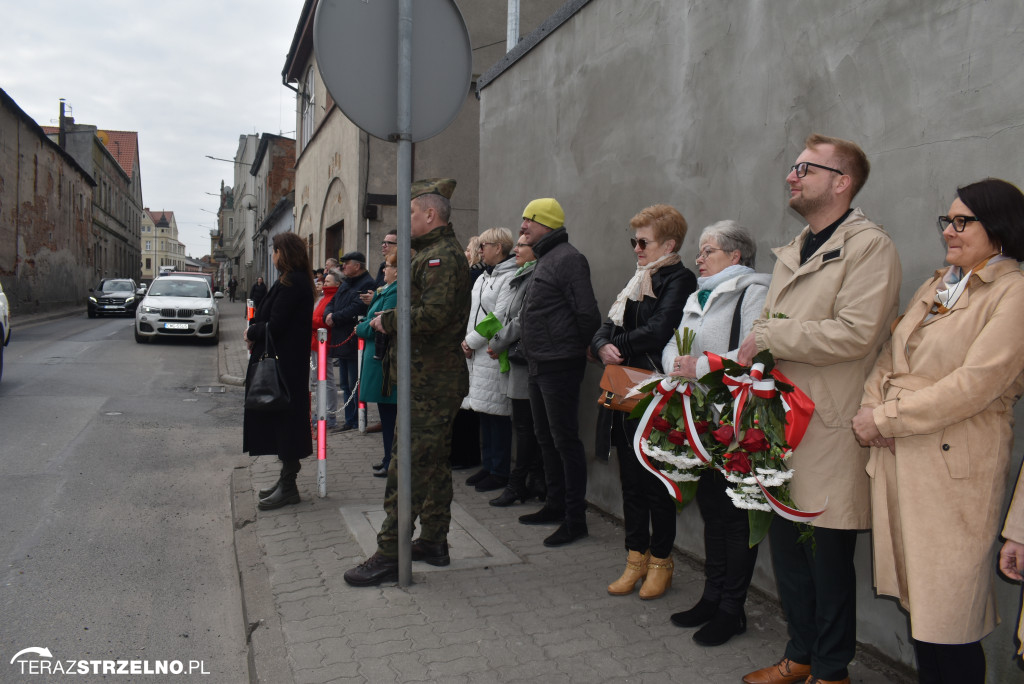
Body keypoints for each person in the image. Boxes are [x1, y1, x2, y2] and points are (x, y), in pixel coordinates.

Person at [737, 134, 901, 684]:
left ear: (841, 181)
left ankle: (831, 671)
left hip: (829, 426)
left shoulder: (869, 246)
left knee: (826, 560)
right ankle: (799, 656)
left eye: (805, 168)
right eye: (792, 167)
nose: (792, 176)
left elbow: (857, 333)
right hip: (782, 423)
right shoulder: (796, 247)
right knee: (789, 554)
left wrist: (769, 337)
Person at [852, 178, 1024, 684]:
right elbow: (890, 354)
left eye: (962, 221)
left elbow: (975, 384)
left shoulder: (1013, 293)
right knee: (924, 614)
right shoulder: (941, 283)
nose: (949, 230)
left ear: (999, 228)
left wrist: (884, 418)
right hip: (906, 456)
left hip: (954, 469)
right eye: (946, 220)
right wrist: (872, 407)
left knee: (950, 618)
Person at [343, 178, 471, 586]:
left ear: (430, 215)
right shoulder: (430, 254)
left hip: (431, 384)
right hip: (426, 380)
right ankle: (433, 541)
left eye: (412, 212)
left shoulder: (440, 258)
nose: (407, 218)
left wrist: (386, 320)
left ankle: (388, 553)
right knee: (431, 467)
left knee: (407, 468)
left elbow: (432, 316)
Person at [659, 221, 769, 645]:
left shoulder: (752, 290)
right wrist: (676, 363)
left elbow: (753, 352)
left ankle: (731, 609)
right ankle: (711, 596)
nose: (699, 260)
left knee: (735, 516)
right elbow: (676, 341)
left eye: (708, 252)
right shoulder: (699, 294)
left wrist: (700, 366)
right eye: (701, 252)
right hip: (700, 418)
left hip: (736, 421)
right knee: (711, 507)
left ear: (735, 255)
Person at [591, 204, 695, 599]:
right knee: (630, 480)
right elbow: (604, 326)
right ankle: (635, 558)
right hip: (623, 386)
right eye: (633, 240)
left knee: (656, 481)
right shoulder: (637, 279)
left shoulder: (678, 279)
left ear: (668, 243)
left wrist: (613, 345)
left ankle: (661, 563)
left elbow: (658, 330)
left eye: (643, 241)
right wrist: (602, 346)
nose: (636, 248)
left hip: (654, 390)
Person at [517, 197, 602, 547]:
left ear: (546, 224)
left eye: (528, 222)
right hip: (539, 363)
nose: (522, 228)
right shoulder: (546, 257)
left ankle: (574, 518)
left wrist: (581, 346)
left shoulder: (569, 259)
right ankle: (554, 504)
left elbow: (587, 314)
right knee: (545, 436)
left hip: (559, 364)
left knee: (564, 440)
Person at [243, 232, 315, 511]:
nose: (272, 255)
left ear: (286, 253)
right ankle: (285, 482)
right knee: (282, 424)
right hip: (283, 364)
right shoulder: (288, 281)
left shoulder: (293, 283)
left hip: (285, 368)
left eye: (275, 250)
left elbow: (277, 324)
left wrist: (251, 331)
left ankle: (289, 485)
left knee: (288, 425)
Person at [487, 238, 545, 507]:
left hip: (524, 359)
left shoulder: (534, 275)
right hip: (517, 357)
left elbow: (521, 319)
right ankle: (532, 480)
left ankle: (519, 483)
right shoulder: (523, 275)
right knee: (525, 425)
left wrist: (497, 340)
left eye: (522, 245)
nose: (516, 250)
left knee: (525, 427)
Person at [461, 227, 518, 493]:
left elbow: (498, 316)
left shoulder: (509, 277)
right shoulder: (484, 276)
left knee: (497, 413)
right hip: (476, 354)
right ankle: (488, 464)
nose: (480, 249)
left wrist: (470, 341)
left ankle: (500, 470)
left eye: (485, 245)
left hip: (493, 352)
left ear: (500, 248)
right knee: (483, 410)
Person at [356, 253, 398, 477]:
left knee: (391, 414)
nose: (384, 271)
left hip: (385, 359)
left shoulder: (396, 291)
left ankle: (392, 461)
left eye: (388, 267)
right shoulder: (385, 289)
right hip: (377, 358)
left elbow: (379, 323)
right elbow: (369, 318)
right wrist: (365, 324)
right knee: (385, 413)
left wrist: (361, 328)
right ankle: (386, 457)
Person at [324, 251, 375, 432]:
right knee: (345, 383)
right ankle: (349, 419)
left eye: (346, 263)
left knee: (354, 383)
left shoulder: (367, 283)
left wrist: (335, 317)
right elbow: (333, 301)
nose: (343, 266)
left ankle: (356, 420)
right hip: (341, 339)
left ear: (357, 266)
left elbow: (356, 307)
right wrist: (328, 314)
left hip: (353, 341)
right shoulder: (346, 282)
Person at [310, 270, 340, 430]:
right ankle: (321, 410)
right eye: (325, 281)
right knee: (317, 380)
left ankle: (330, 413)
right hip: (316, 343)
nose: (325, 283)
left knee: (327, 380)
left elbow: (325, 320)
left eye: (328, 281)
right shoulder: (322, 298)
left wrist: (310, 320)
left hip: (325, 343)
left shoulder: (334, 298)